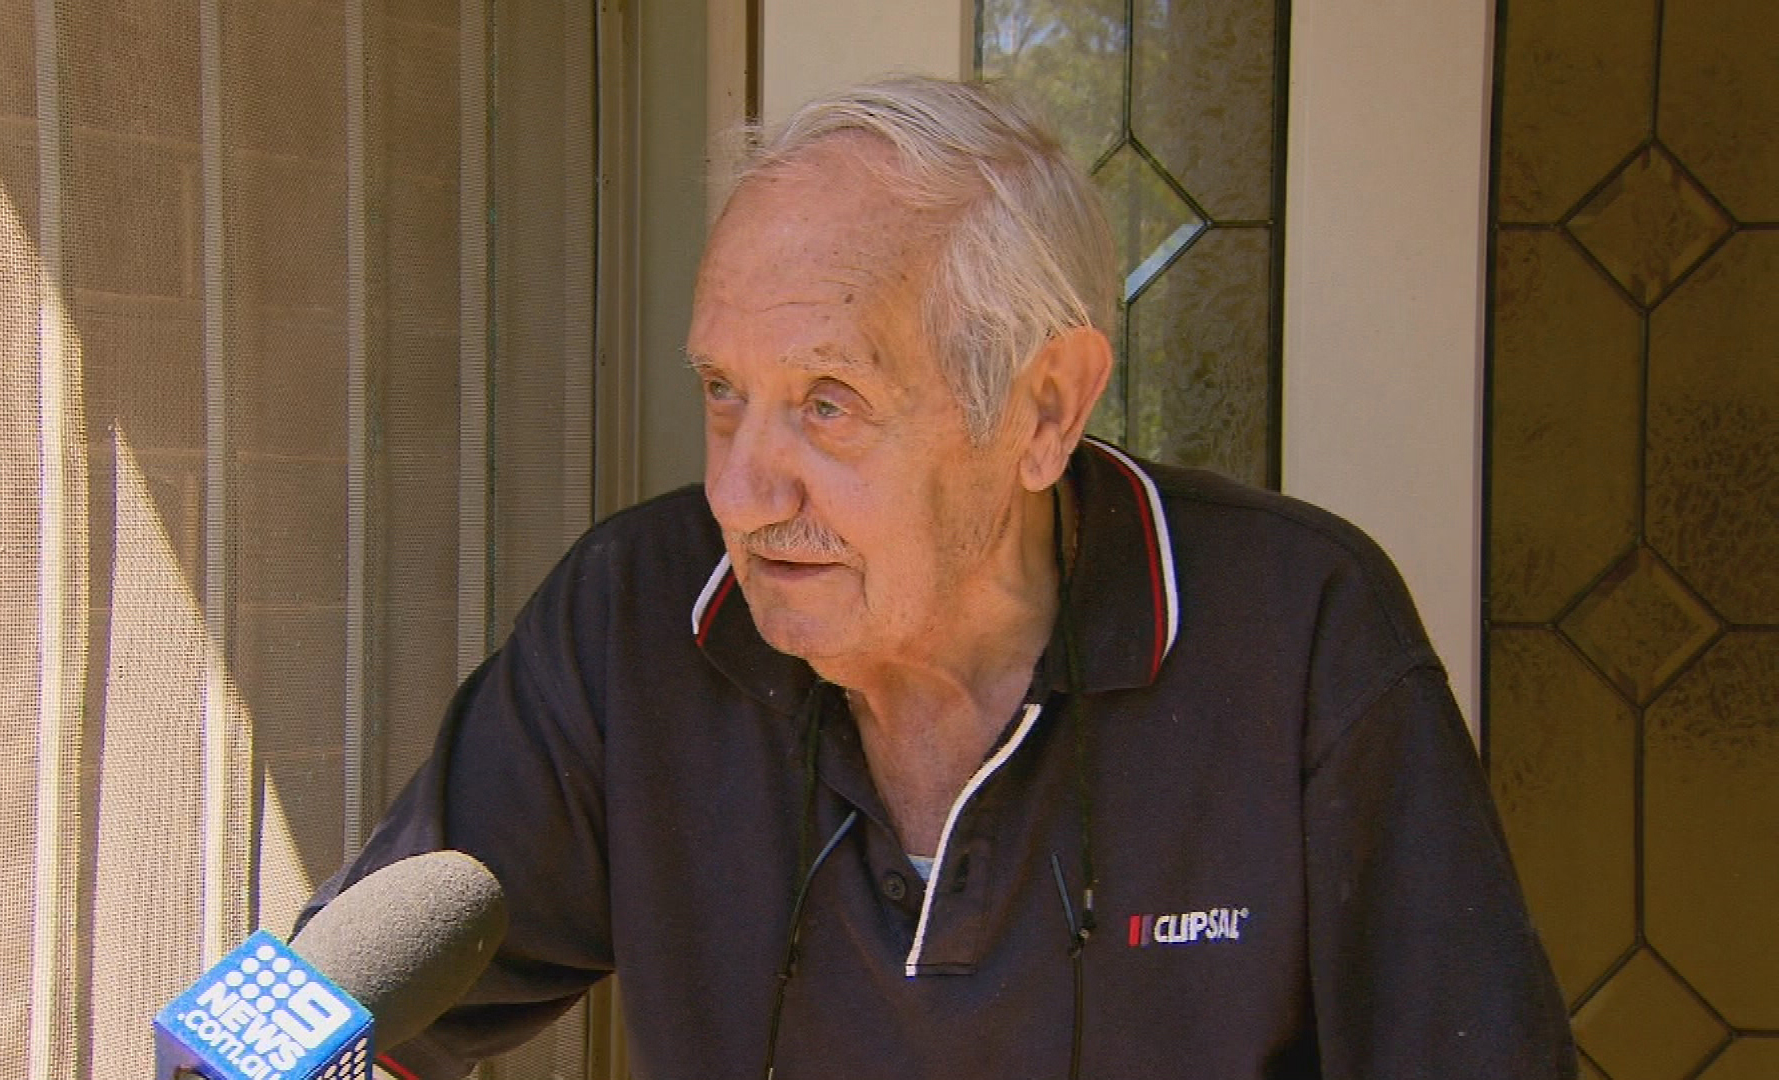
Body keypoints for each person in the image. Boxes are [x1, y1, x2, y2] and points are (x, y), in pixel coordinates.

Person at [304, 76, 1575, 1079]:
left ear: (1044, 410)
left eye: (831, 402)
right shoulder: (635, 621)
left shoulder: (1299, 640)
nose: (745, 491)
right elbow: (345, 1017)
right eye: (723, 393)